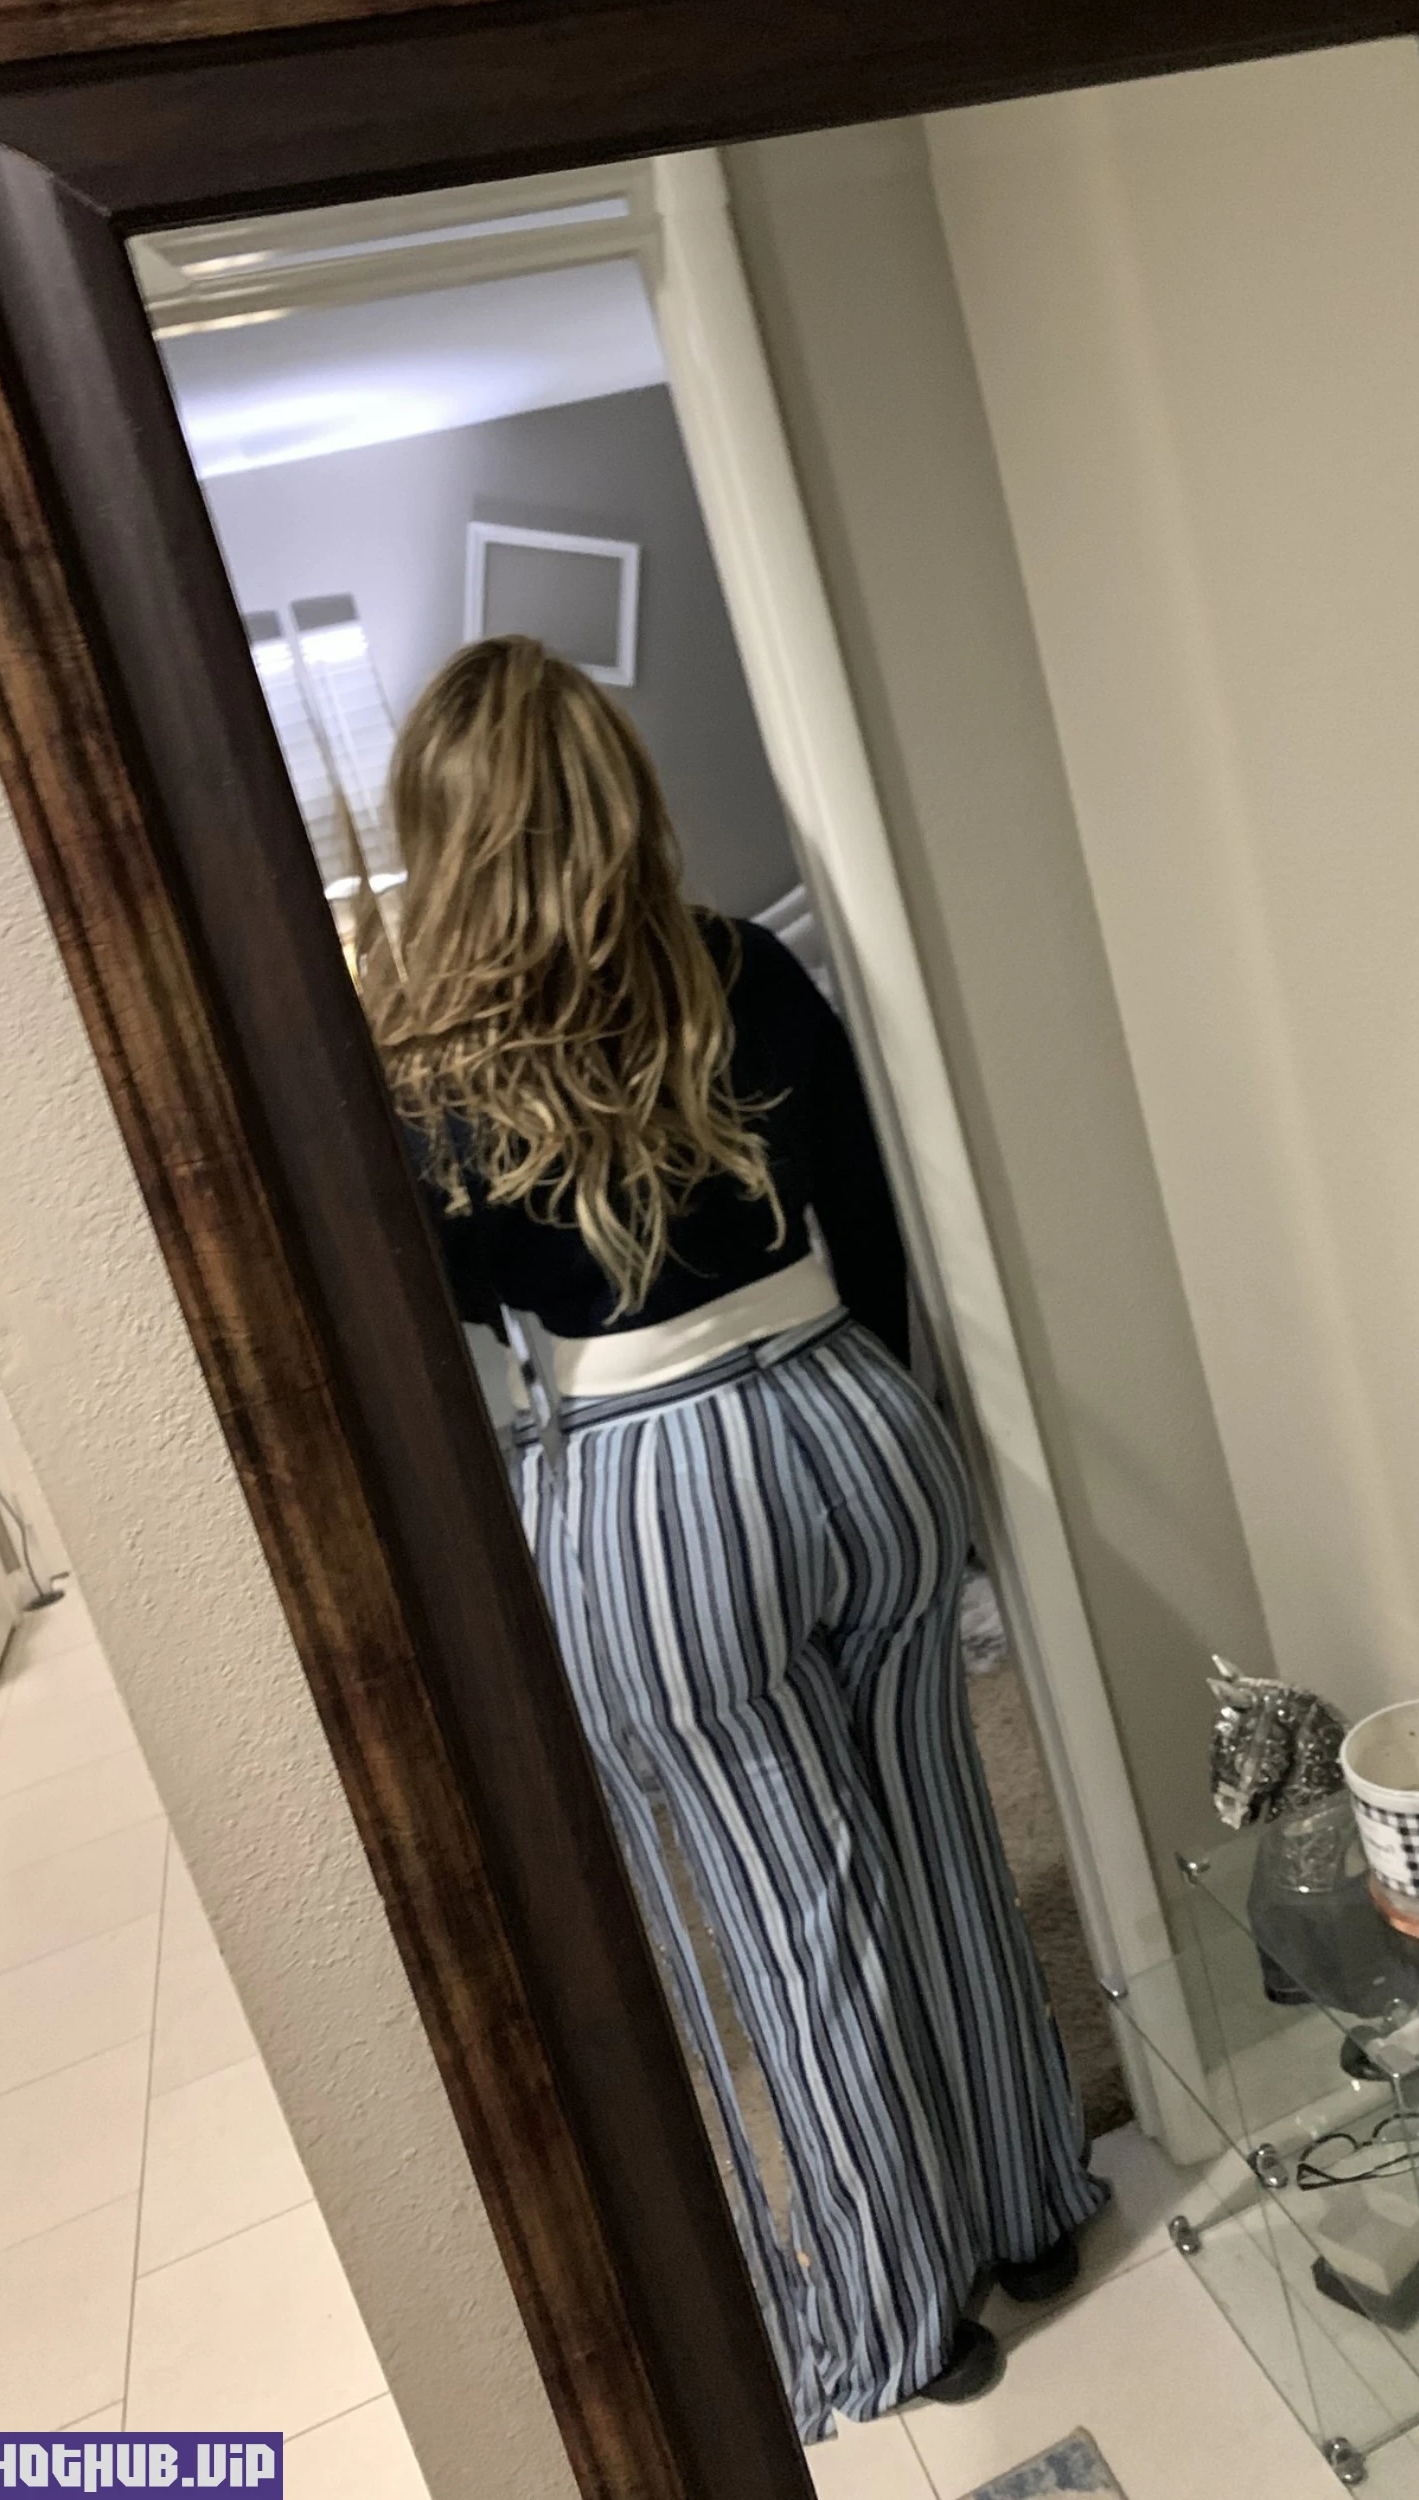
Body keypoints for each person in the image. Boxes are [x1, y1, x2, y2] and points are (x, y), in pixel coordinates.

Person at [359, 636, 1106, 2437]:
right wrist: (887, 1413)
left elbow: (448, 1319)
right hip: (850, 1413)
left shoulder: (426, 1076)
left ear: (443, 841)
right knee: (936, 1827)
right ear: (619, 791)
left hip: (645, 1480)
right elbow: (872, 1218)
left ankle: (909, 2314)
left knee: (791, 1905)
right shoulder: (743, 972)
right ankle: (1030, 2209)